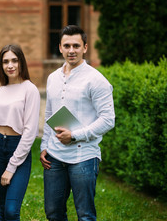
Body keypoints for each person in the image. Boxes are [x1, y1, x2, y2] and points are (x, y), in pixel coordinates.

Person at [40, 25, 115, 221]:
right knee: (53, 213)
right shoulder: (52, 78)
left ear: (85, 47)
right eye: (67, 45)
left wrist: (74, 135)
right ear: (60, 48)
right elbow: (50, 113)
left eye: (76, 45)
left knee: (85, 215)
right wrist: (44, 145)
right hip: (54, 156)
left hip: (84, 156)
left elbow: (108, 120)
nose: (71, 50)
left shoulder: (96, 80)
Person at [0, 44, 40, 221]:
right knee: (2, 208)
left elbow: (30, 132)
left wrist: (11, 167)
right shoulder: (1, 90)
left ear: (21, 62)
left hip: (18, 149)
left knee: (11, 210)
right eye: (5, 61)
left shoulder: (29, 89)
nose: (10, 65)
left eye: (14, 60)